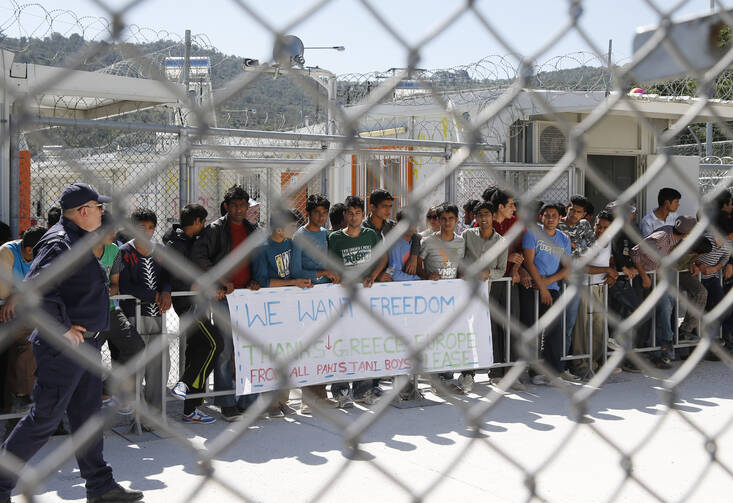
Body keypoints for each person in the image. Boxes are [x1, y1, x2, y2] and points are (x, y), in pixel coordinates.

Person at [0, 182, 143, 503]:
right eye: (97, 207)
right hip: (64, 349)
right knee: (45, 419)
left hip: (86, 347)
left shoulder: (78, 239)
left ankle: (100, 486)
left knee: (88, 417)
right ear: (82, 212)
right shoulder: (60, 242)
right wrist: (63, 328)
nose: (102, 212)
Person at [190, 185, 261, 422]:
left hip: (247, 299)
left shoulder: (253, 230)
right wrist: (221, 280)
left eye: (244, 205)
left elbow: (258, 260)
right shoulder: (215, 229)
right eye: (235, 205)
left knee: (248, 350)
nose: (240, 209)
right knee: (226, 348)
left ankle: (248, 401)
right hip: (223, 297)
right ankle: (225, 401)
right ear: (227, 206)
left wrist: (255, 281)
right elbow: (199, 257)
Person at [252, 209, 313, 418]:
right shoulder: (263, 249)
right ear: (279, 229)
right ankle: (269, 402)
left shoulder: (292, 244)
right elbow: (262, 281)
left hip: (289, 307)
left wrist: (302, 281)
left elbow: (296, 271)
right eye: (292, 227)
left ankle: (282, 400)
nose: (295, 230)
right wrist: (292, 282)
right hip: (269, 309)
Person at [166, 204, 223, 425]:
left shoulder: (183, 240)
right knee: (215, 343)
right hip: (187, 304)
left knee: (199, 349)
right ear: (197, 221)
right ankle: (184, 384)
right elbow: (173, 272)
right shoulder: (178, 244)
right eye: (203, 222)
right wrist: (191, 284)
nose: (205, 226)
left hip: (195, 302)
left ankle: (191, 407)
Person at [327, 195, 386, 407]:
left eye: (358, 213)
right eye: (350, 213)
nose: (354, 217)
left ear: (363, 214)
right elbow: (330, 263)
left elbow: (383, 258)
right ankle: (341, 391)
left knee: (364, 344)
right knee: (342, 343)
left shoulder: (371, 235)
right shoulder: (335, 238)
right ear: (345, 215)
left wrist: (374, 275)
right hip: (343, 298)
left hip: (366, 297)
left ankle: (362, 390)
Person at [118, 208, 172, 415]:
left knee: (159, 363)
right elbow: (124, 285)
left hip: (157, 314)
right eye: (142, 228)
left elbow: (167, 276)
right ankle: (136, 412)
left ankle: (156, 411)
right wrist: (151, 295)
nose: (147, 232)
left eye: (151, 228)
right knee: (136, 364)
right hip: (133, 316)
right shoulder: (123, 252)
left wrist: (166, 291)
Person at [291, 194, 340, 414]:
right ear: (309, 213)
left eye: (324, 213)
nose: (321, 217)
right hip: (305, 296)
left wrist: (333, 274)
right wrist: (322, 272)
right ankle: (306, 398)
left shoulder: (325, 235)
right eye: (317, 212)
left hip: (325, 296)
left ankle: (321, 395)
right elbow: (295, 270)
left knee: (324, 346)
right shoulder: (299, 236)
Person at [95, 214, 144, 416]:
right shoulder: (79, 252)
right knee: (87, 358)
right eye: (110, 230)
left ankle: (105, 390)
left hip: (110, 310)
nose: (114, 234)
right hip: (87, 315)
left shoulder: (114, 249)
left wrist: (110, 289)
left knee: (136, 346)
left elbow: (115, 283)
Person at [631, 215, 696, 369]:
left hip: (659, 276)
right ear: (687, 233)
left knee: (670, 306)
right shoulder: (661, 237)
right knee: (665, 308)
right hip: (648, 278)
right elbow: (635, 252)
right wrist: (644, 275)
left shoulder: (673, 235)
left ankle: (664, 347)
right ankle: (665, 346)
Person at [458, 201, 508, 392]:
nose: (484, 218)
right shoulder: (467, 235)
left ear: (493, 216)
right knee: (465, 333)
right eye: (480, 215)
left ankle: (488, 371)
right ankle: (467, 374)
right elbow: (459, 258)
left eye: (487, 214)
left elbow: (501, 270)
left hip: (486, 293)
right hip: (464, 291)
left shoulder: (501, 242)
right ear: (476, 218)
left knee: (482, 332)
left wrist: (489, 274)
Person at [520, 203, 572, 385]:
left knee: (554, 331)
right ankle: (535, 373)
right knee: (533, 330)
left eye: (554, 216)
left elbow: (567, 267)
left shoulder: (563, 239)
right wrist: (542, 288)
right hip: (532, 289)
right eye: (547, 215)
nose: (550, 218)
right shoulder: (532, 234)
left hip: (551, 288)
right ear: (541, 217)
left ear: (559, 218)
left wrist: (548, 283)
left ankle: (554, 373)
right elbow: (529, 262)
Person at [418, 203, 466, 393]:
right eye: (443, 219)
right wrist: (427, 276)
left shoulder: (461, 242)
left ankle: (446, 378)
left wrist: (462, 275)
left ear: (457, 220)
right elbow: (418, 266)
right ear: (437, 220)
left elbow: (461, 265)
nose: (447, 223)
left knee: (449, 338)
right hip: (430, 300)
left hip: (452, 299)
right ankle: (435, 378)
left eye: (451, 219)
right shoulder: (428, 242)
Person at [0, 226, 47, 415]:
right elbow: (2, 293)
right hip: (5, 309)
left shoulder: (44, 254)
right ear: (29, 250)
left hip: (23, 311)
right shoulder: (6, 252)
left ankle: (23, 395)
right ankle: (21, 395)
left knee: (33, 339)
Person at [570, 210, 620, 379]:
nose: (600, 230)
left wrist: (612, 273)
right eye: (598, 225)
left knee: (599, 328)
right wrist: (607, 270)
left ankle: (597, 363)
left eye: (605, 227)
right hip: (584, 287)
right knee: (582, 329)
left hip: (600, 287)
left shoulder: (609, 242)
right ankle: (581, 365)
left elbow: (610, 260)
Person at [557, 195, 595, 360]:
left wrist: (572, 245)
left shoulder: (584, 225)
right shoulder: (556, 223)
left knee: (569, 322)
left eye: (579, 212)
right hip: (554, 277)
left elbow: (594, 248)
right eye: (572, 210)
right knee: (552, 323)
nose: (574, 214)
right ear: (567, 208)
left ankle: (563, 362)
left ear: (584, 214)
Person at [363, 189, 420, 281]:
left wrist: (414, 257)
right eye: (384, 206)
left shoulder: (392, 226)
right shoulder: (362, 229)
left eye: (390, 206)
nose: (388, 210)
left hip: (391, 277)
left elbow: (415, 236)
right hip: (369, 280)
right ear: (372, 207)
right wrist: (376, 276)